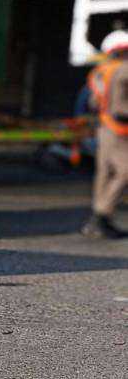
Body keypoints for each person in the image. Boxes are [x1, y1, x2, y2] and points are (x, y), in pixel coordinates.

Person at [83, 29, 128, 239]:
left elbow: (93, 102)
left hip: (104, 128)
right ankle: (102, 215)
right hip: (120, 130)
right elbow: (120, 108)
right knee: (125, 172)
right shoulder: (123, 70)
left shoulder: (100, 71)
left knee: (105, 173)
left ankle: (97, 222)